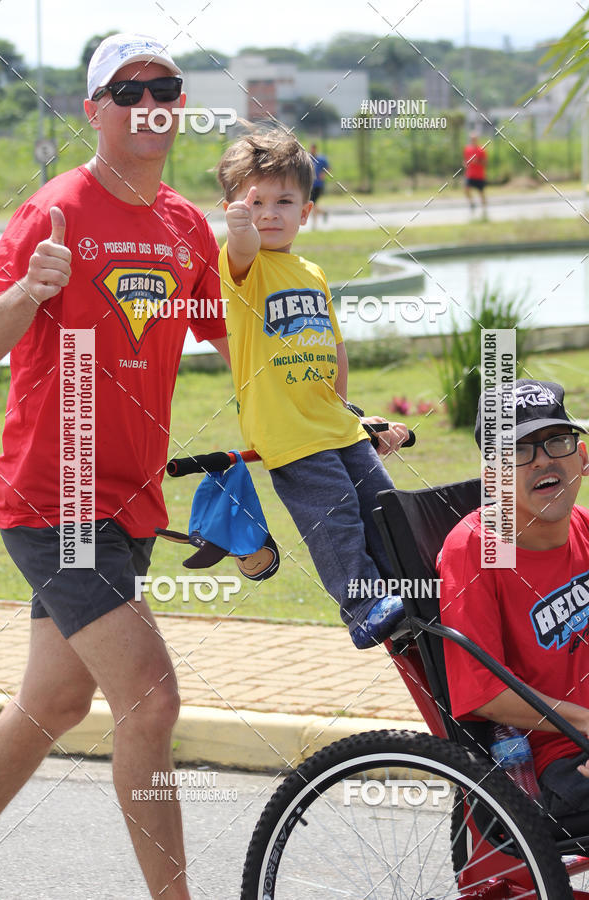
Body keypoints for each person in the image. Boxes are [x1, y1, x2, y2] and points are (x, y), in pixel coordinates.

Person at [0, 33, 229, 899]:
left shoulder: (185, 225)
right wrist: (30, 290)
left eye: (165, 89)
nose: (149, 104)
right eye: (128, 92)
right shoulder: (54, 210)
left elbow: (239, 348)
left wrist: (339, 413)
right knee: (150, 698)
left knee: (54, 703)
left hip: (130, 502)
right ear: (94, 111)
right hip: (56, 497)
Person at [216, 129, 409, 649]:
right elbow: (242, 246)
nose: (268, 214)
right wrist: (238, 229)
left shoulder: (312, 271)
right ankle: (363, 606)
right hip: (289, 429)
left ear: (305, 212)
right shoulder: (244, 266)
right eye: (254, 203)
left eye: (284, 202)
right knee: (334, 514)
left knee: (383, 505)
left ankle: (406, 592)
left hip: (334, 421)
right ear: (234, 210)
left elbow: (335, 347)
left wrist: (349, 410)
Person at [439, 379, 589, 816]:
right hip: (557, 758)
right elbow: (482, 692)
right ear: (494, 478)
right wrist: (584, 722)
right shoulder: (476, 549)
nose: (543, 459)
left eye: (556, 441)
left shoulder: (583, 526)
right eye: (519, 450)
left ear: (582, 458)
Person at [463, 132, 488, 217]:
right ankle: (472, 203)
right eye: (471, 139)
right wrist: (465, 163)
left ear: (477, 139)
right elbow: (465, 160)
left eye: (474, 139)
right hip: (470, 174)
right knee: (466, 189)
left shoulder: (481, 150)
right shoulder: (467, 149)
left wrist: (477, 162)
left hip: (479, 175)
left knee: (481, 192)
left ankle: (484, 211)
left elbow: (485, 162)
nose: (473, 140)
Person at [309, 142, 329, 227]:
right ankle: (324, 213)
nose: (312, 150)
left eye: (314, 148)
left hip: (318, 185)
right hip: (310, 185)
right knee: (312, 204)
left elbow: (328, 168)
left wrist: (323, 174)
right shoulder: (308, 158)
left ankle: (314, 225)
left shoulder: (321, 159)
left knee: (312, 204)